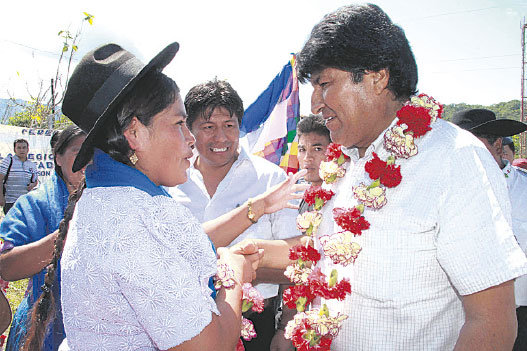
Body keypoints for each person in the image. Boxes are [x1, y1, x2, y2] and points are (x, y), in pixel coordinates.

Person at [243, 4, 527, 350]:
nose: (315, 103)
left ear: (378, 77)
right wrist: (249, 256)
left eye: (325, 84)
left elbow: (492, 321)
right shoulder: (343, 161)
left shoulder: (454, 158)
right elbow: (324, 252)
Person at [22, 43, 304, 351]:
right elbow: (210, 346)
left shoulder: (114, 200)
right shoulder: (133, 218)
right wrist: (234, 272)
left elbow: (181, 246)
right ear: (135, 133)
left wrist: (257, 208)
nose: (191, 138)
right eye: (179, 123)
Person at [168, 78, 301, 350]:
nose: (220, 138)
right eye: (208, 127)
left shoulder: (270, 179)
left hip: (256, 324)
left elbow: (297, 257)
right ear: (190, 131)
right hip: (184, 326)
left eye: (229, 126)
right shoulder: (170, 182)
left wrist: (288, 325)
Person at [0, 125, 86, 351]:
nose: (87, 160)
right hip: (41, 332)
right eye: (78, 152)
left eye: (93, 152)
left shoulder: (111, 202)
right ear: (58, 157)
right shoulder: (34, 204)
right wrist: (65, 237)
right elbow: (6, 266)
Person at [451, 108, 527, 351]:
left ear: (496, 144)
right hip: (466, 314)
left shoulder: (524, 187)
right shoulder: (447, 191)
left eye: (474, 144)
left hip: (522, 310)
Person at [295, 114, 331, 214]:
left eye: (317, 149)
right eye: (302, 150)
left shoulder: (343, 195)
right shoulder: (301, 197)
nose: (307, 158)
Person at [0, 138, 38, 214]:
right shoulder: (8, 161)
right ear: (14, 149)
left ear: (28, 149)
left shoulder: (32, 165)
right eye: (19, 148)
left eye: (24, 148)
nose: (22, 150)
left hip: (26, 202)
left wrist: (32, 185)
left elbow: (35, 181)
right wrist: (1, 197)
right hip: (10, 202)